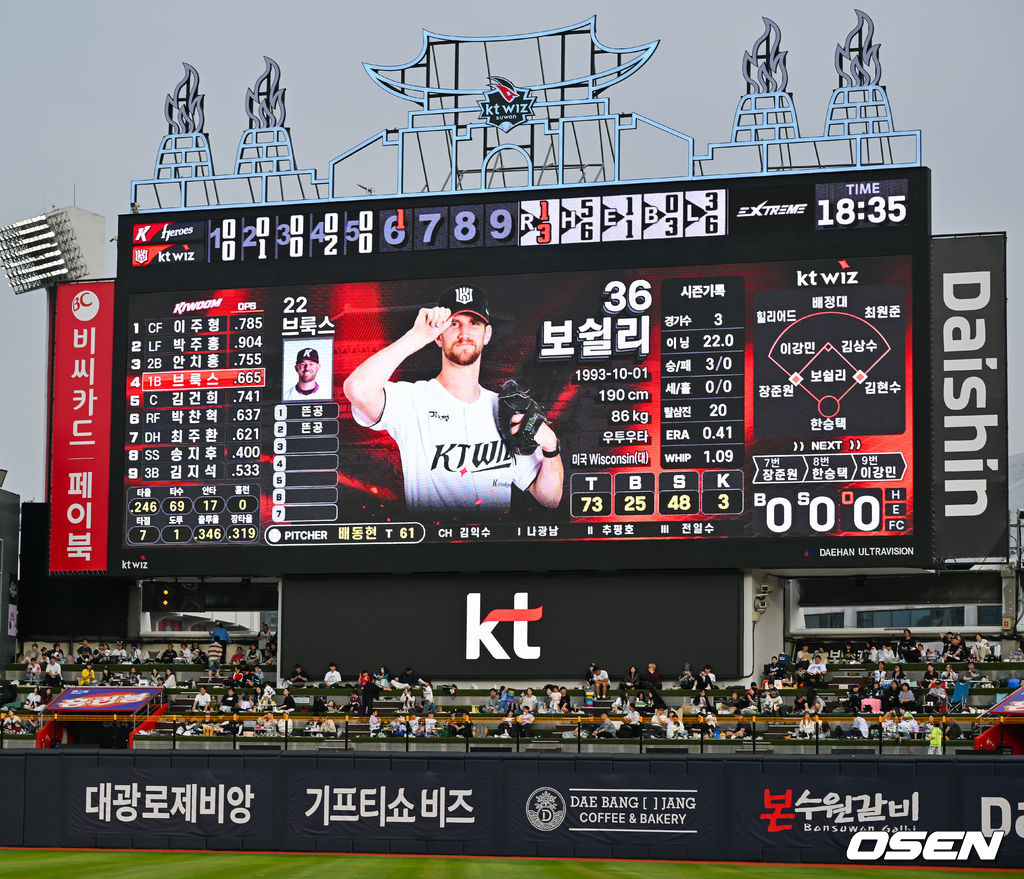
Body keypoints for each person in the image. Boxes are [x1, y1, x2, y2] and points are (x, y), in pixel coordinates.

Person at [343, 285, 564, 516]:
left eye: (474, 323)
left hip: (495, 537)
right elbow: (357, 389)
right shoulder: (411, 400)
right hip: (434, 536)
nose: (464, 333)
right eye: (454, 324)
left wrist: (551, 447)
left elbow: (550, 498)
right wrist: (416, 337)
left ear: (487, 334)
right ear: (439, 335)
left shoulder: (505, 410)